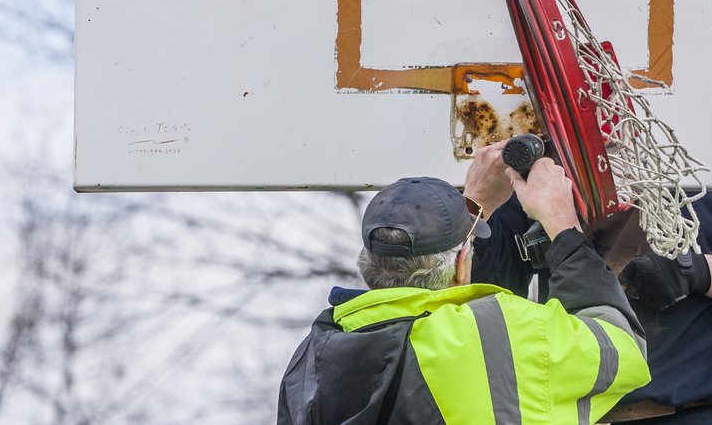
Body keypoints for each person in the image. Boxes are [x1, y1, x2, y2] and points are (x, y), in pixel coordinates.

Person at [465, 141, 712, 424]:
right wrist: (476, 206)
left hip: (698, 413)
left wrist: (701, 272)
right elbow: (478, 284)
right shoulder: (548, 160)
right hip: (573, 414)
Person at [276, 162, 651, 425]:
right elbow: (621, 349)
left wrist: (469, 209)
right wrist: (564, 228)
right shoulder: (500, 331)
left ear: (368, 263)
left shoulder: (312, 357)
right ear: (461, 265)